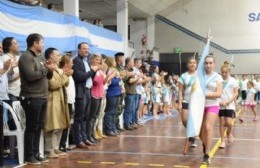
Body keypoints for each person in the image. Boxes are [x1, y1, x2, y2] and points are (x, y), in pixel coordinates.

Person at [19, 33, 56, 165]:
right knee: (32, 127)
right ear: (35, 43)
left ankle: (35, 153)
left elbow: (48, 76)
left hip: (42, 96)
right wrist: (46, 69)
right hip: (32, 96)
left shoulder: (40, 57)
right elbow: (30, 76)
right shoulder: (25, 57)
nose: (43, 45)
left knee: (39, 126)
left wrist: (50, 69)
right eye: (42, 42)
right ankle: (29, 155)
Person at [44, 48, 71, 158]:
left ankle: (55, 147)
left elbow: (66, 83)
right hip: (52, 100)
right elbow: (52, 85)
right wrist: (65, 76)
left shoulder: (58, 69)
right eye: (57, 55)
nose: (59, 57)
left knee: (60, 126)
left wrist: (65, 76)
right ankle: (48, 150)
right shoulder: (48, 67)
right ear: (50, 56)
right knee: (52, 126)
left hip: (61, 99)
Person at [72, 42, 98, 148]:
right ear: (78, 50)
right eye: (84, 49)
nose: (86, 50)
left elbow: (90, 76)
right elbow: (79, 77)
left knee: (85, 117)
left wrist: (94, 71)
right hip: (80, 92)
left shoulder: (86, 61)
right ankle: (78, 140)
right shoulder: (76, 61)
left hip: (87, 91)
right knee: (79, 117)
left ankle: (84, 137)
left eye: (88, 49)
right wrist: (92, 70)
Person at [200, 55, 223, 165]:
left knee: (208, 127)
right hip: (199, 106)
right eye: (206, 63)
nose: (208, 65)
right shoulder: (200, 75)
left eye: (210, 63)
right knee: (200, 131)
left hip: (212, 105)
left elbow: (218, 93)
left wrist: (204, 95)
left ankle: (207, 154)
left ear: (214, 64)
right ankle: (205, 144)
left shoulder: (218, 77)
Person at [177, 57, 198, 147]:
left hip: (197, 102)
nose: (192, 64)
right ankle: (191, 133)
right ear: (187, 65)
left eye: (194, 63)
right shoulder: (183, 76)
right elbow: (180, 91)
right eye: (190, 63)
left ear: (196, 65)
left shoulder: (200, 75)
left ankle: (192, 137)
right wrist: (179, 103)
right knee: (184, 120)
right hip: (186, 101)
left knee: (193, 120)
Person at [218, 62, 238, 149]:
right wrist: (219, 101)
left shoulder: (233, 81)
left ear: (229, 72)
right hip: (220, 104)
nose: (224, 74)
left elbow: (236, 93)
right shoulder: (219, 80)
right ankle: (222, 141)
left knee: (229, 123)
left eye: (226, 72)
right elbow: (217, 92)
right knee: (222, 122)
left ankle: (229, 133)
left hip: (230, 105)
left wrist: (228, 101)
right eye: (222, 72)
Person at [59, 55, 75, 152]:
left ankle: (64, 143)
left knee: (68, 124)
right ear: (66, 63)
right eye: (71, 62)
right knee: (64, 124)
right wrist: (67, 75)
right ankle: (61, 145)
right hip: (65, 101)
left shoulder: (69, 73)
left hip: (70, 100)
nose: (72, 64)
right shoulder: (62, 72)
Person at [104, 58, 122, 136]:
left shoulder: (114, 70)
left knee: (114, 112)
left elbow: (118, 81)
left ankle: (113, 127)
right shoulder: (109, 71)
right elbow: (113, 82)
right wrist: (118, 78)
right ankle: (108, 129)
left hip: (117, 93)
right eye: (114, 61)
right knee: (110, 112)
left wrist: (118, 78)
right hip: (111, 93)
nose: (115, 62)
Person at [1, 37, 20, 104]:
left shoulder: (18, 58)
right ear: (9, 47)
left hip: (21, 92)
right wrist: (21, 73)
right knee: (11, 114)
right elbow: (6, 79)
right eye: (15, 44)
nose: (18, 45)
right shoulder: (4, 58)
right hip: (11, 93)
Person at [123, 58, 141, 130]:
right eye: (132, 62)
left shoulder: (131, 71)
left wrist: (136, 77)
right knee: (128, 109)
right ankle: (127, 124)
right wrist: (138, 77)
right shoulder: (126, 71)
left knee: (132, 109)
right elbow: (130, 81)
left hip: (133, 91)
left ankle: (130, 122)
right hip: (129, 92)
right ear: (128, 63)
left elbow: (134, 81)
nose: (133, 63)